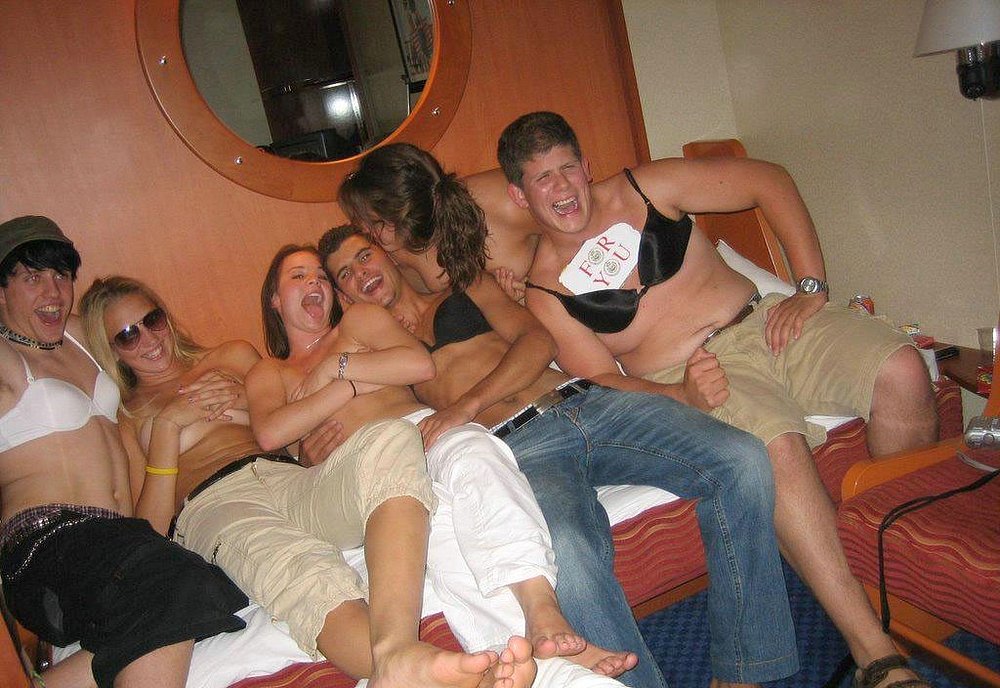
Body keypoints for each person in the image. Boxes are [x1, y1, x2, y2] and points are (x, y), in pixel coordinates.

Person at [494, 112, 937, 688]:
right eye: (542, 178)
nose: (562, 187)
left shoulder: (647, 187)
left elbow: (768, 179)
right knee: (774, 448)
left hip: (768, 319)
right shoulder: (545, 290)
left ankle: (902, 577)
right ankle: (877, 656)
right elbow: (604, 380)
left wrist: (808, 286)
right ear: (519, 195)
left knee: (903, 368)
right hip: (695, 369)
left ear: (586, 165)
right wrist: (680, 394)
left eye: (567, 168)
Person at [321, 224, 799, 688]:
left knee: (741, 458)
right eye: (345, 273)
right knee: (566, 548)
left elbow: (538, 340)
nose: (361, 273)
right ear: (343, 296)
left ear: (386, 249)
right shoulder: (372, 357)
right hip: (520, 448)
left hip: (586, 401)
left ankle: (743, 671)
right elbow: (342, 425)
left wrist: (466, 405)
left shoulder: (464, 285)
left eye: (364, 256)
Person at [78, 273, 523, 688]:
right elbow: (150, 530)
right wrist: (168, 428)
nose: (149, 338)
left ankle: (396, 648)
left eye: (152, 319)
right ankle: (413, 670)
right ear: (112, 349)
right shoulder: (130, 414)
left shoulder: (232, 357)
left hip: (286, 475)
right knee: (302, 569)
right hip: (214, 501)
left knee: (391, 438)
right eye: (128, 335)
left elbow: (286, 414)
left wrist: (286, 439)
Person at [243, 244, 632, 688]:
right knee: (442, 527)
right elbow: (271, 434)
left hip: (421, 433)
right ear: (275, 299)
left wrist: (338, 368)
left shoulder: (357, 323)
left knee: (474, 450)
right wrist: (349, 389)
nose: (314, 282)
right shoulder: (269, 372)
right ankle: (546, 664)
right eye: (298, 276)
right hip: (365, 474)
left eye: (320, 276)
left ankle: (537, 615)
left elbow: (418, 364)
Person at [0, 216, 247, 688]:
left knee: (206, 586)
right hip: (47, 545)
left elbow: (145, 339)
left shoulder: (82, 335)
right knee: (180, 579)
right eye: (32, 278)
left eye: (61, 275)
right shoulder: (5, 356)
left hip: (116, 550)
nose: (53, 292)